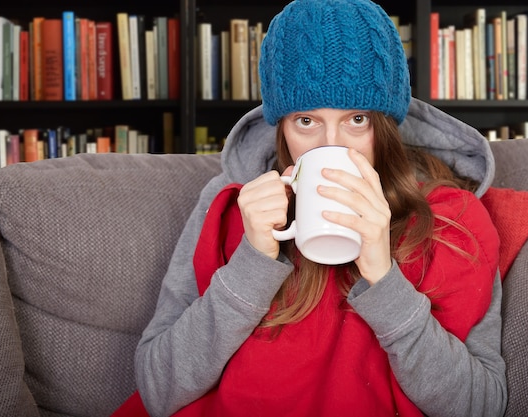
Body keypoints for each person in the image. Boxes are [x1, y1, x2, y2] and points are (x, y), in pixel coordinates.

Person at [134, 0, 507, 416]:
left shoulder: (452, 220)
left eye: (357, 120)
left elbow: (481, 405)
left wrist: (383, 276)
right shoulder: (230, 205)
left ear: (385, 124)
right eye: (306, 121)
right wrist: (252, 261)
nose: (332, 145)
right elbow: (157, 389)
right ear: (280, 126)